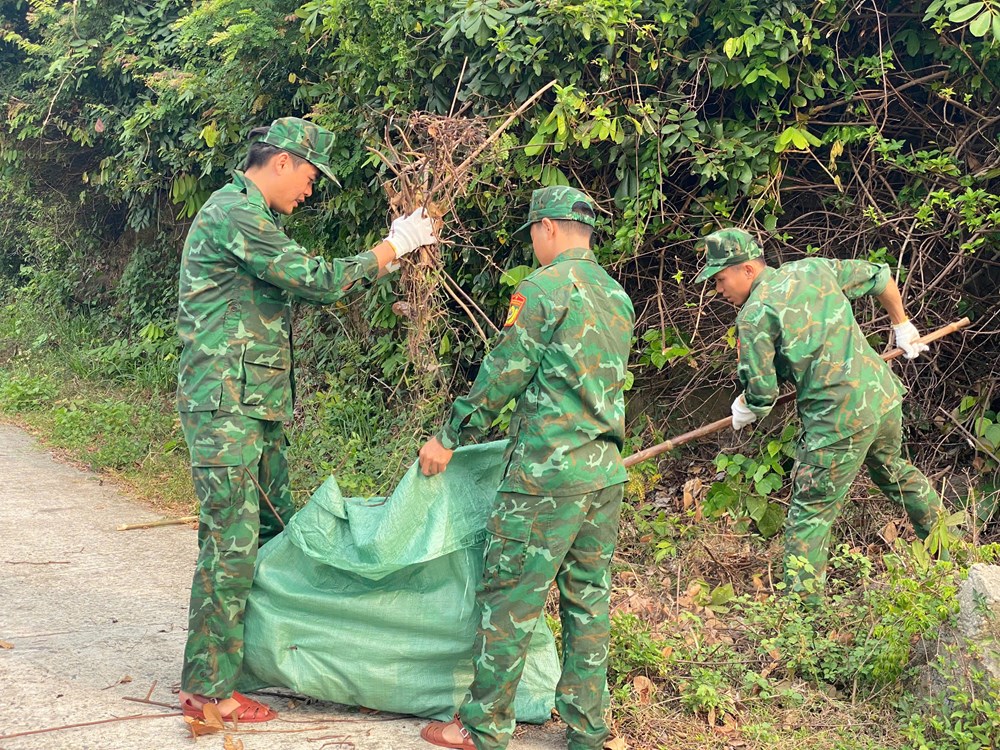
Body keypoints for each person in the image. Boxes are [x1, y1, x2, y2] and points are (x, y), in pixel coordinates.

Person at [175, 117, 436, 723]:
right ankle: (206, 689)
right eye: (312, 176)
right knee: (231, 541)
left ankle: (250, 661)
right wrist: (392, 248)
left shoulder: (254, 218)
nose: (312, 191)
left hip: (252, 404)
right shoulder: (233, 214)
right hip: (225, 406)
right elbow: (314, 279)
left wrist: (390, 257)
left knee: (268, 534)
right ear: (284, 161)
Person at [417, 186, 635, 750]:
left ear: (550, 229)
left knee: (510, 597)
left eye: (534, 232)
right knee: (588, 599)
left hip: (546, 477)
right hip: (604, 474)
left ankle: (484, 727)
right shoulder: (616, 295)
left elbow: (504, 373)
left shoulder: (542, 289)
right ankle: (589, 731)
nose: (535, 242)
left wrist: (450, 435)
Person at [694, 228, 946, 594]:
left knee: (809, 514)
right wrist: (901, 324)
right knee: (896, 472)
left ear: (747, 269)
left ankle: (804, 619)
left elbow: (763, 394)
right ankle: (952, 553)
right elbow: (880, 276)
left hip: (837, 421)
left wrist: (745, 406)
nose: (719, 290)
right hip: (881, 399)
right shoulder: (814, 269)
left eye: (720, 279)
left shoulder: (754, 316)